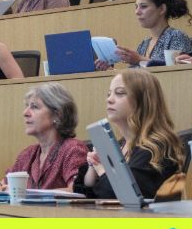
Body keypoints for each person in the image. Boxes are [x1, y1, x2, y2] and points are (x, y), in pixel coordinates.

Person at [74, 69, 183, 199]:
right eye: (109, 94)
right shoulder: (119, 145)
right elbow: (85, 195)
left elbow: (126, 197)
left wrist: (102, 169)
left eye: (119, 93)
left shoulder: (156, 147)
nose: (109, 99)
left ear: (142, 101)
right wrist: (93, 166)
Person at [0, 83, 89, 192]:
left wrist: (25, 193)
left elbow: (76, 192)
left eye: (34, 107)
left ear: (58, 114)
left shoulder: (73, 149)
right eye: (27, 106)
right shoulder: (27, 155)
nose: (25, 113)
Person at [95, 0, 192, 70]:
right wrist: (110, 70)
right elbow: (134, 77)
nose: (137, 12)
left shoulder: (176, 36)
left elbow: (176, 71)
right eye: (136, 7)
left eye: (144, 6)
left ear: (162, 9)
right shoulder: (144, 44)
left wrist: (139, 59)